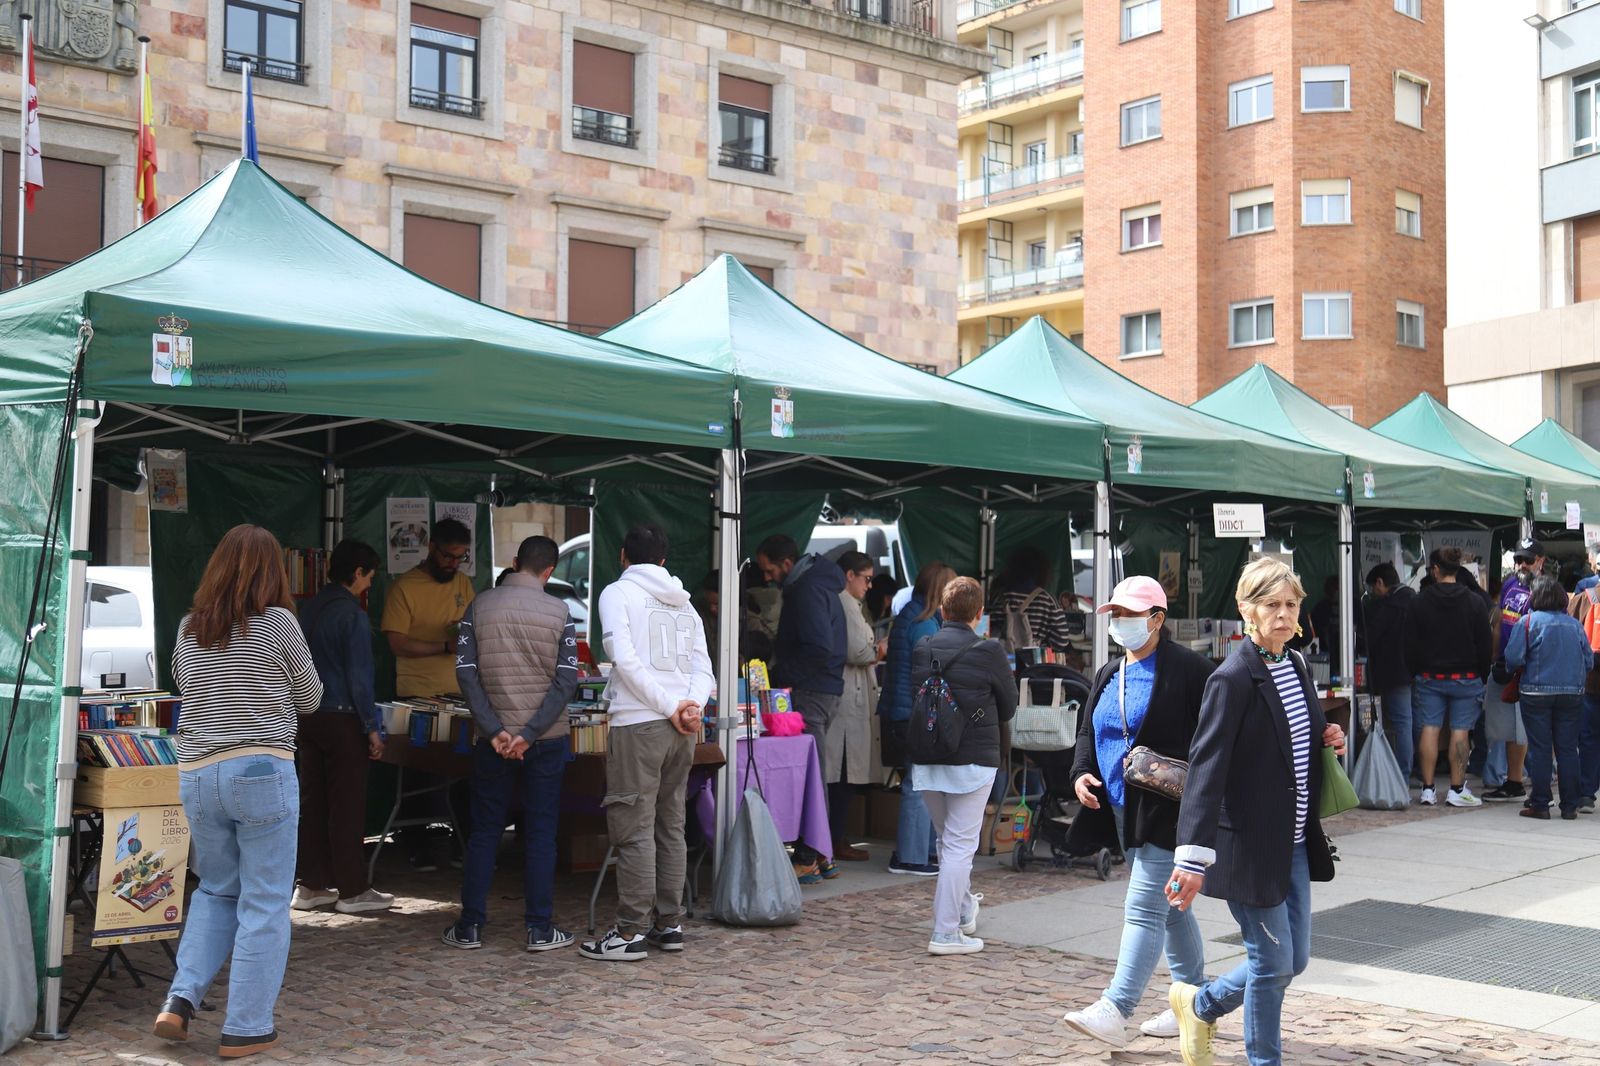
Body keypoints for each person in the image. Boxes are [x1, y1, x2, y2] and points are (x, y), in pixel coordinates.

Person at [1166, 558, 1345, 1066]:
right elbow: (1205, 770)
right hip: (1246, 846)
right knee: (1272, 963)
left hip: (1292, 842)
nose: (1284, 616)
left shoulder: (1296, 664)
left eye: (1291, 605)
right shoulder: (1232, 678)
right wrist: (1191, 859)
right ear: (1247, 610)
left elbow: (1294, 736)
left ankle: (1200, 1004)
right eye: (1272, 605)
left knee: (1294, 959)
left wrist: (1327, 736)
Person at [153, 525, 322, 1058]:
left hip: (199, 773)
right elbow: (311, 697)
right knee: (266, 901)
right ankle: (246, 1027)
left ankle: (180, 1001)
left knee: (215, 889)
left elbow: (185, 689)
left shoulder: (188, 626)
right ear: (274, 572)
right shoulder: (278, 624)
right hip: (261, 771)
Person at [1060, 576, 1215, 1049]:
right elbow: (1090, 730)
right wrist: (1082, 772)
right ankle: (1197, 1005)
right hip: (1123, 809)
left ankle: (1116, 1007)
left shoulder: (1189, 670)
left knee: (1143, 908)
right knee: (1170, 910)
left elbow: (1222, 726)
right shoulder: (1110, 672)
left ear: (1157, 619)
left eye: (1130, 615)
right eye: (1116, 615)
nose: (1120, 623)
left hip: (1169, 807)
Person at [583, 524, 713, 960]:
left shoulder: (617, 593)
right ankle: (669, 923)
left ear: (623, 556)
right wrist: (689, 705)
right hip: (681, 729)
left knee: (634, 826)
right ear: (662, 560)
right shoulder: (686, 602)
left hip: (640, 722)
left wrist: (669, 705)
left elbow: (622, 657)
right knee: (670, 824)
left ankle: (630, 932)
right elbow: (704, 667)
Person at [444, 535, 579, 952]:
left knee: (485, 830)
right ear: (550, 571)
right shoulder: (561, 612)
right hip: (546, 740)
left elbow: (465, 673)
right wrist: (529, 733)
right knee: (541, 832)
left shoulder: (478, 606)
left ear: (516, 561)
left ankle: (470, 925)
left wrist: (496, 729)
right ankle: (539, 928)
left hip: (493, 740)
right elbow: (567, 681)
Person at [910, 576, 1016, 956]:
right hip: (973, 759)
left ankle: (963, 907)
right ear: (980, 613)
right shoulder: (989, 650)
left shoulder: (923, 647)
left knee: (948, 843)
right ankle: (945, 932)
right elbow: (1009, 706)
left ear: (942, 610)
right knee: (957, 846)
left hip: (928, 757)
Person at [292, 539, 394, 916]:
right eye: (369, 576)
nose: (370, 584)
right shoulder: (351, 614)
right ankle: (352, 890)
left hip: (308, 715)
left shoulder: (310, 607)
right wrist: (372, 727)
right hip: (341, 715)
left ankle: (311, 885)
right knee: (347, 806)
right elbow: (360, 677)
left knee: (313, 804)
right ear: (358, 573)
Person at [381, 517, 476, 871]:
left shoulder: (464, 584)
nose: (454, 564)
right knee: (420, 773)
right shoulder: (405, 587)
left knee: (466, 770)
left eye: (460, 557)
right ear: (431, 548)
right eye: (449, 556)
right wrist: (443, 645)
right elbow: (396, 642)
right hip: (416, 694)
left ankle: (462, 845)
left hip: (460, 692)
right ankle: (416, 846)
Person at [756, 533, 847, 883]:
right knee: (813, 768)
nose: (767, 578)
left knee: (809, 773)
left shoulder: (806, 590)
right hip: (823, 687)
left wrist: (781, 676)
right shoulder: (816, 584)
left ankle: (810, 855)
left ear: (788, 565)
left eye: (769, 570)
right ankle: (822, 855)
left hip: (812, 690)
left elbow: (818, 647)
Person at [878, 562, 956, 876]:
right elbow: (934, 671)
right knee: (919, 782)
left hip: (902, 710)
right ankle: (910, 857)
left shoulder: (911, 614)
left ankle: (920, 851)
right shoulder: (926, 623)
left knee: (921, 781)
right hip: (915, 712)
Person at [1406, 547, 1494, 808]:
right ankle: (1456, 789)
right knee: (1460, 732)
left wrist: (1414, 670)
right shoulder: (1475, 601)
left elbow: (1409, 642)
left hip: (1429, 675)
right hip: (1466, 676)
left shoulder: (1419, 601)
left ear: (1434, 569)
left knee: (1429, 729)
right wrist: (1482, 673)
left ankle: (1428, 788)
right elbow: (1485, 643)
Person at [1506, 575, 1593, 820]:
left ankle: (1541, 804)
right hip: (1572, 693)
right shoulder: (1574, 625)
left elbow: (1513, 659)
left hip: (1535, 693)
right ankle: (1569, 806)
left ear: (1536, 597)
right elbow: (1587, 661)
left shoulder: (1527, 622)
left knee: (1541, 748)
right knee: (1567, 749)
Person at [830, 551, 885, 860]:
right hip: (848, 700)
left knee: (845, 775)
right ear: (849, 575)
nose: (869, 585)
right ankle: (835, 839)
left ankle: (838, 837)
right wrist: (878, 649)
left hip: (854, 696)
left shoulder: (853, 604)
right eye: (866, 578)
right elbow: (858, 652)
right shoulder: (845, 604)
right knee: (841, 774)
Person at [1486, 538, 1544, 803]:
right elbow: (1499, 620)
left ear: (1540, 562)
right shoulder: (1510, 583)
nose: (1522, 565)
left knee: (1526, 727)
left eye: (1528, 560)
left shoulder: (1545, 589)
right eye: (1518, 559)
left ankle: (1531, 782)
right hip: (1506, 664)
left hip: (1530, 667)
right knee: (1506, 725)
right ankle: (1514, 780)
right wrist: (1495, 656)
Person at [1363, 562, 1418, 782]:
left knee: (1401, 723)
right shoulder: (1415, 600)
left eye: (1373, 588)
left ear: (1380, 583)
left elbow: (1371, 640)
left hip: (1394, 672)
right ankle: (1413, 771)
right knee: (1411, 722)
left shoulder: (1387, 607)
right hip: (1415, 670)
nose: (1372, 593)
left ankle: (1401, 775)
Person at [989, 545, 1072, 654]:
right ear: (1042, 571)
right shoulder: (1048, 600)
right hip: (1033, 663)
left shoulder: (998, 597)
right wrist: (1040, 644)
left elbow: (987, 633)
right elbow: (1061, 641)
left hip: (1001, 661)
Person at [1567, 569, 1600, 814]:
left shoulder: (1585, 596)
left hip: (1590, 679)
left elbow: (1570, 633)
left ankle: (1587, 793)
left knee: (1588, 737)